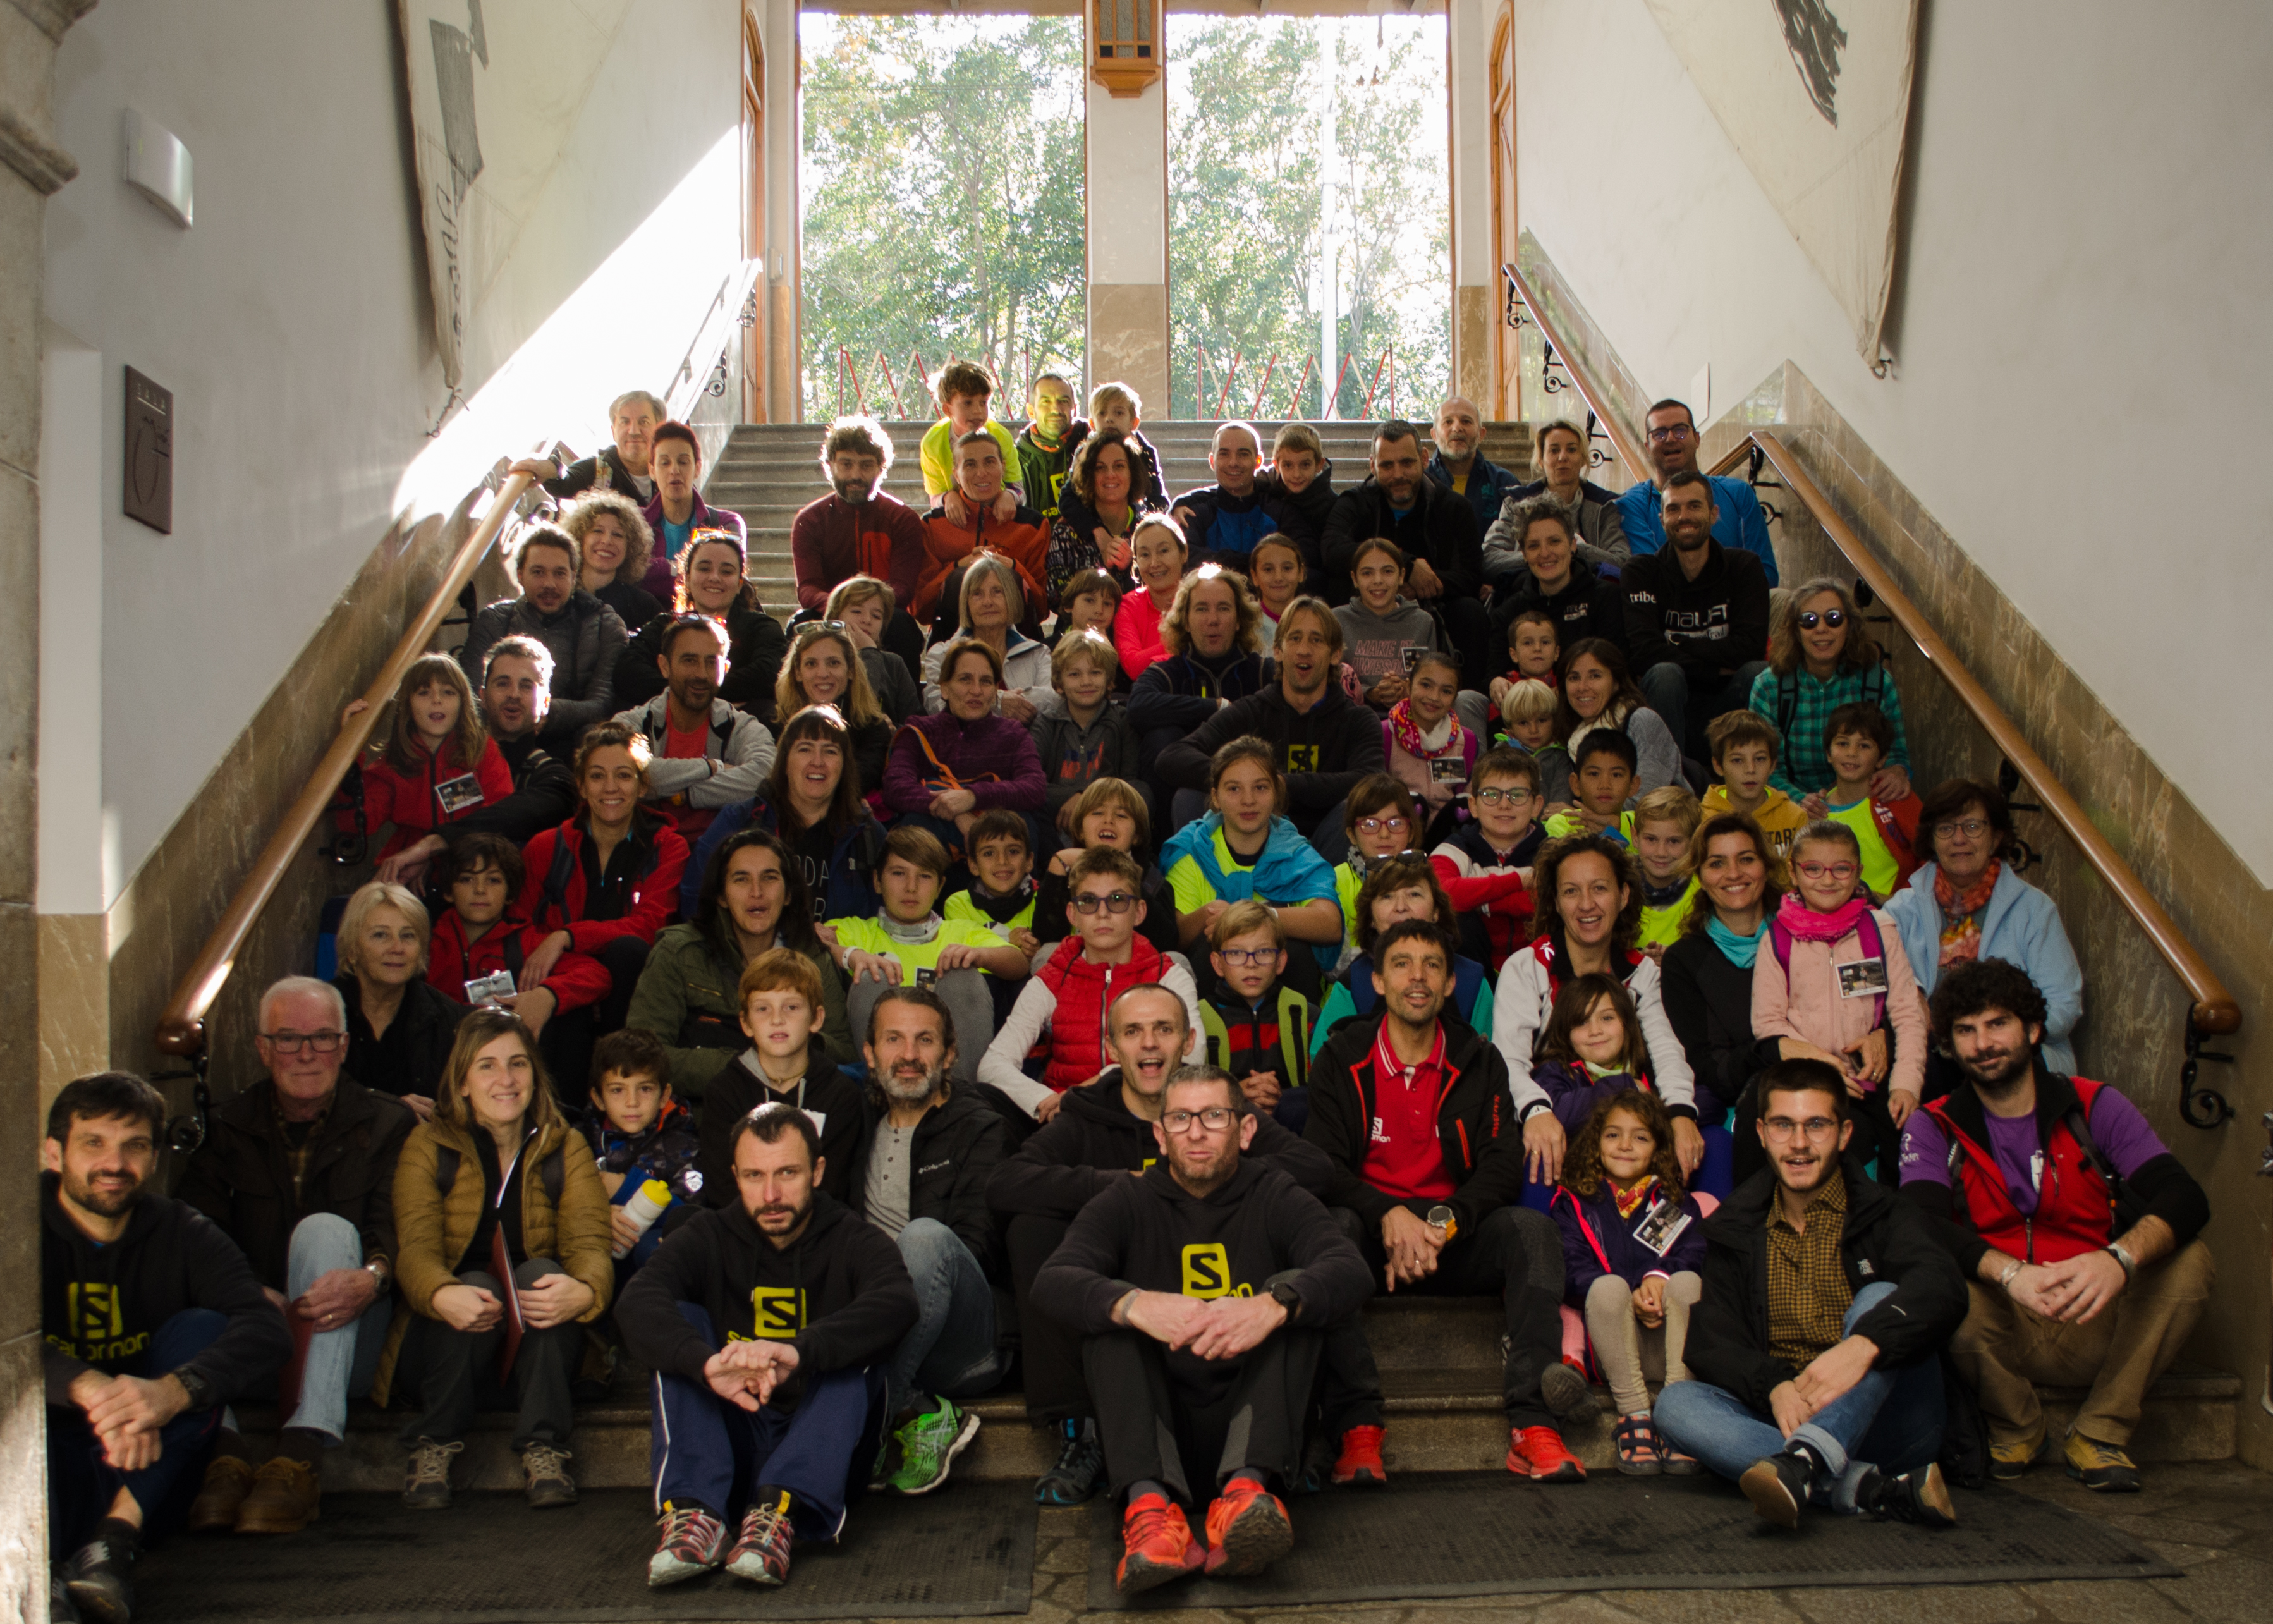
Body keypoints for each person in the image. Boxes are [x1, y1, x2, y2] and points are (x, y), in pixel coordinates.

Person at [985, 984, 1332, 1506]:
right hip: (1131, 1292)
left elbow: (1316, 1170)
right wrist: (1134, 1183)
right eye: (1133, 1031)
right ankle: (1083, 1431)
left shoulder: (1219, 1111)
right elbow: (1006, 1183)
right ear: (1111, 1048)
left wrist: (1217, 1174)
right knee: (1034, 1227)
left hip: (1230, 1297)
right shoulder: (1086, 1115)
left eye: (1164, 1030)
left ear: (1189, 1039)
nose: (1149, 1044)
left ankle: (1315, 1428)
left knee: (1324, 1238)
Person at [1035, 1063, 1374, 1594]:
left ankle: (1244, 1502)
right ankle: (1150, 1516)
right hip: (1157, 1433)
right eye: (1181, 1118)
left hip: (1255, 1429)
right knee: (1108, 1310)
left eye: (1214, 1116)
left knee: (1296, 1292)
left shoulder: (1274, 1191)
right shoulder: (1127, 1199)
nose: (1196, 1131)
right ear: (1160, 1134)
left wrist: (1272, 1305)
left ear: (1245, 1129)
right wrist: (1135, 1303)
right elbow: (1053, 1280)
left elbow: (1350, 1268)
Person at [1901, 959, 2212, 1492]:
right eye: (1966, 1030)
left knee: (2191, 1259)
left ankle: (2100, 1431)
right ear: (1950, 1045)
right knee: (1933, 1275)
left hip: (2097, 1313)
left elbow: (2185, 1196)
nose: (1983, 1043)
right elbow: (1918, 1224)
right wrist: (2007, 1273)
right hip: (2000, 1327)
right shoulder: (1933, 1124)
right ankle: (2016, 1426)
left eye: (1997, 1023)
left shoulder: (2095, 1104)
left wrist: (2118, 1259)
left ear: (2033, 1028)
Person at [1306, 920, 1590, 1479]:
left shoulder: (1479, 1058)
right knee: (1331, 1232)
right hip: (1373, 1238)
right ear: (1379, 981)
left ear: (1450, 984)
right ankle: (1356, 1427)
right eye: (1403, 964)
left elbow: (1502, 1166)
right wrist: (1386, 1213)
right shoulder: (1342, 1055)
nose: (1418, 977)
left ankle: (1533, 1425)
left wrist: (1443, 1220)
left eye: (1432, 965)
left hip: (1450, 1235)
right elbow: (1323, 1166)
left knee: (1531, 1231)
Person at [1652, 1059, 1964, 1527]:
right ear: (1761, 1133)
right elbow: (1712, 1339)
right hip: (1786, 1415)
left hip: (1891, 1420)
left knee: (1879, 1296)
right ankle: (1867, 1486)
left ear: (1843, 1133)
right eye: (1784, 1125)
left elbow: (1944, 1286)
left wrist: (1863, 1346)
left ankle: (1807, 1465)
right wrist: (1774, 1385)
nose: (1799, 1143)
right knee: (1676, 1405)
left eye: (1816, 1125)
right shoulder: (1736, 1225)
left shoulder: (1885, 1212)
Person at [623, 1104, 917, 1590]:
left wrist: (802, 1350)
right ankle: (698, 1516)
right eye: (755, 1175)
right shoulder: (708, 1234)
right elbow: (637, 1301)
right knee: (680, 1323)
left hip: (823, 1446)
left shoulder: (852, 1237)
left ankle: (779, 1515)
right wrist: (706, 1363)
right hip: (734, 1435)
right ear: (735, 1176)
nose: (772, 1194)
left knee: (853, 1346)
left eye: (788, 1172)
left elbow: (899, 1302)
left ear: (818, 1171)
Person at [43, 1073, 291, 1624]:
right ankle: (46, 1574)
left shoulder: (180, 1228)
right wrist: (90, 1388)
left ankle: (112, 1542)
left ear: (155, 1157)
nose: (115, 1163)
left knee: (204, 1329)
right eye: (94, 1143)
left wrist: (172, 1393)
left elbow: (268, 1329)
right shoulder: (20, 1226)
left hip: (147, 1465)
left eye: (134, 1145)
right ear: (53, 1151)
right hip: (44, 1460)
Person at [171, 979, 412, 1536]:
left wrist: (371, 1278)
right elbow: (194, 1231)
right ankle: (224, 1458)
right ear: (262, 1048)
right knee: (184, 1306)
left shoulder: (387, 1123)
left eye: (323, 1037)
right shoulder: (226, 1127)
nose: (307, 1054)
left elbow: (397, 1229)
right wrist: (247, 1293)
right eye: (289, 1038)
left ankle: (302, 1454)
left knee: (326, 1230)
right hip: (252, 1335)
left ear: (346, 1045)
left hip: (349, 1328)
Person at [372, 1010, 613, 1511]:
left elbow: (591, 1244)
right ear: (462, 1081)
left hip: (536, 1356)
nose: (506, 1079)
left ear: (535, 1074)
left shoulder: (565, 1145)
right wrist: (443, 1294)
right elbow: (414, 1253)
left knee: (545, 1277)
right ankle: (433, 1444)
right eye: (487, 1066)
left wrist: (586, 1290)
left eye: (518, 1063)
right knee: (478, 1280)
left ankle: (544, 1447)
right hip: (448, 1350)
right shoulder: (428, 1144)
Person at [841, 986, 1010, 1494]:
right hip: (874, 1321)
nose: (909, 1055)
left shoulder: (982, 1126)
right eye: (893, 1039)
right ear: (870, 1054)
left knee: (924, 1237)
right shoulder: (856, 1121)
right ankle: (924, 1411)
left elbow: (976, 1246)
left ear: (950, 1054)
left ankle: (862, 1430)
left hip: (963, 1336)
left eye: (925, 1040)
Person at [1494, 833, 1705, 1181]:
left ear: (1623, 896)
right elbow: (1510, 1061)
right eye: (1571, 891)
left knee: (1703, 1141)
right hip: (1555, 1117)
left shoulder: (1641, 971)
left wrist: (1681, 1113)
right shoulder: (1527, 965)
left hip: (1629, 1124)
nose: (1586, 904)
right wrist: (1537, 1111)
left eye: (1600, 888)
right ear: (1556, 903)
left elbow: (1666, 1050)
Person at [1752, 819, 1929, 1184]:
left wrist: (1905, 1085)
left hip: (1868, 1079)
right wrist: (1824, 1066)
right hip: (1802, 1078)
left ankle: (1899, 1227)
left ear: (1858, 871)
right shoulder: (1777, 937)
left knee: (1904, 1136)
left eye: (1841, 869)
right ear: (1793, 871)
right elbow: (1768, 1024)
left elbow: (1908, 1014)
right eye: (1813, 869)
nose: (1827, 880)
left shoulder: (1879, 930)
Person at [980, 846, 1204, 1118]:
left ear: (1140, 912)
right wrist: (1046, 1101)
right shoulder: (1052, 978)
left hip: (1143, 1115)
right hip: (1065, 1119)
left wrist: (1101, 1084)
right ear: (1073, 915)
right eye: (1088, 901)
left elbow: (1192, 1058)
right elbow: (993, 1064)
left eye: (1118, 899)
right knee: (983, 1100)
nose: (1103, 913)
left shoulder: (1168, 975)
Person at [628, 829, 853, 1097]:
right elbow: (642, 1055)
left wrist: (798, 1048)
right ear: (721, 895)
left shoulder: (812, 958)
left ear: (789, 893)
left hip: (794, 1113)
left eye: (769, 878)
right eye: (741, 879)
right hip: (697, 1120)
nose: (756, 892)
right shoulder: (678, 952)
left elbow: (845, 1053)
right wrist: (749, 1068)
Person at [1884, 778, 2085, 1075]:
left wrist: (2000, 1037)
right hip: (1929, 1052)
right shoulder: (1900, 910)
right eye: (1946, 828)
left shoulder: (2034, 909)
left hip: (2013, 1055)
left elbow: (2063, 1004)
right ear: (1932, 839)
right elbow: (1880, 990)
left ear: (1996, 838)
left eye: (1973, 827)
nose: (1959, 839)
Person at [1551, 1089, 1705, 1475]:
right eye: (1612, 1134)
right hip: (1615, 1348)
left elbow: (1694, 1253)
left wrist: (1658, 1278)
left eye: (1640, 1137)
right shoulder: (1574, 1202)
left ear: (1658, 1148)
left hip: (1671, 1348)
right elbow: (1571, 1270)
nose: (1625, 1146)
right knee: (1606, 1286)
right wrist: (1631, 1290)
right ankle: (1635, 1414)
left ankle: (1678, 1413)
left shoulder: (1675, 1201)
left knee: (1686, 1281)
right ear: (1596, 1143)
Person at [1157, 599, 1386, 853]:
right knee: (1188, 796)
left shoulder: (1359, 719)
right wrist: (1247, 783)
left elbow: (1371, 781)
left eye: (1316, 640)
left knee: (1358, 806)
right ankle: (1200, 887)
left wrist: (1283, 784)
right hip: (1254, 840)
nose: (1304, 650)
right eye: (1295, 638)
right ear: (1277, 650)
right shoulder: (1250, 711)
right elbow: (1172, 758)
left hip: (1327, 841)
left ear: (1335, 655)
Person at [519, 722, 692, 1037]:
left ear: (642, 786)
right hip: (564, 986)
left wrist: (566, 936)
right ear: (582, 786)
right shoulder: (545, 847)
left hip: (631, 991)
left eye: (624, 775)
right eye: (597, 776)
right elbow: (521, 927)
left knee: (627, 950)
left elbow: (650, 927)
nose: (610, 787)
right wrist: (569, 977)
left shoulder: (668, 847)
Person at [826, 827, 1029, 1081]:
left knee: (961, 974)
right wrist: (850, 955)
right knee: (870, 976)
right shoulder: (854, 930)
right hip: (881, 1079)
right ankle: (880, 1097)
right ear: (877, 881)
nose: (911, 887)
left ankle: (961, 1104)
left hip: (950, 1078)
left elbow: (1019, 964)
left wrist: (978, 956)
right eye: (899, 874)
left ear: (940, 885)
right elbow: (810, 945)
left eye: (924, 876)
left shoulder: (961, 931)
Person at [1161, 738, 1344, 991]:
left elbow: (1330, 924)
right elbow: (1175, 938)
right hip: (1213, 994)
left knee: (1295, 953)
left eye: (1260, 788)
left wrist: (1251, 917)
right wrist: (1210, 913)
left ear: (1276, 791)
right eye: (1234, 789)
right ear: (1215, 797)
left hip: (1282, 992)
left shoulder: (1297, 854)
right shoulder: (1191, 852)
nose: (1248, 800)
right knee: (1208, 950)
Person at [1320, 421, 1492, 690]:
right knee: (1336, 586)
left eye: (1407, 463)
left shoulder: (1454, 507)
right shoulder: (1355, 502)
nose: (1398, 474)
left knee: (1471, 612)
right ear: (1372, 466)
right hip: (1366, 609)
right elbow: (1331, 550)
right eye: (1387, 466)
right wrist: (1405, 566)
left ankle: (1463, 699)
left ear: (1424, 459)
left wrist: (1421, 587)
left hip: (1432, 607)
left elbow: (1471, 575)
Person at [695, 948, 867, 1208]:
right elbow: (722, 1187)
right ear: (746, 1022)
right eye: (763, 1009)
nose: (777, 1019)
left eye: (792, 1007)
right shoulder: (725, 1092)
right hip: (743, 1232)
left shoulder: (841, 1095)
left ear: (816, 1018)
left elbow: (834, 1187)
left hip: (815, 1234)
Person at [686, 704, 887, 926]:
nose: (818, 762)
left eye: (830, 751)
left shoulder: (868, 835)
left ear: (845, 765)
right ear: (784, 762)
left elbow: (887, 921)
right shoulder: (740, 821)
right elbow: (697, 899)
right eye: (805, 749)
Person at [1623, 470, 1771, 758]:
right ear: (1661, 519)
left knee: (1757, 673)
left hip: (1730, 706)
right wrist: (1716, 666)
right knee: (1665, 674)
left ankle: (1747, 777)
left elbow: (1751, 648)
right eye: (1673, 509)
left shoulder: (1745, 567)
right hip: (1667, 705)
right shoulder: (1641, 572)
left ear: (1714, 514)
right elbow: (1643, 653)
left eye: (1694, 506)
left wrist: (1678, 645)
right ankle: (1670, 788)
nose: (1684, 516)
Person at [424, 834, 609, 1059]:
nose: (480, 889)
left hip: (511, 1054)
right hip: (446, 1056)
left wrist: (547, 996)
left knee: (572, 1018)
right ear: (448, 891)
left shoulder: (525, 941)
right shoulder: (428, 943)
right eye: (466, 879)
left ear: (510, 894)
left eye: (493, 880)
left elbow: (596, 974)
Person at [1661, 813, 1785, 1135]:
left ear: (1766, 866)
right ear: (1700, 876)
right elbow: (1710, 1071)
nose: (1733, 874)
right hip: (1742, 1107)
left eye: (1746, 859)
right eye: (1717, 863)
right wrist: (1775, 1052)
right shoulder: (1684, 961)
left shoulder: (1802, 936)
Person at [607, 613, 776, 849]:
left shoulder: (741, 726)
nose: (701, 674)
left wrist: (684, 794)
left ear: (725, 669)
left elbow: (765, 776)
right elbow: (623, 774)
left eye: (711, 662)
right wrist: (712, 767)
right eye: (689, 660)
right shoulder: (634, 723)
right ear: (665, 666)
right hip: (645, 850)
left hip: (719, 856)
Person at [337, 654, 513, 876]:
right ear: (408, 706)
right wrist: (348, 750)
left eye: (448, 692)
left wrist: (437, 852)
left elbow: (502, 811)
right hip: (407, 867)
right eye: (424, 692)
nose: (436, 700)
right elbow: (358, 824)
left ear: (463, 702)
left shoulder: (481, 751)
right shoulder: (395, 763)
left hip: (471, 862)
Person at [458, 523, 629, 746]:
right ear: (520, 574)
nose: (549, 584)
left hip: (572, 745)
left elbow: (602, 704)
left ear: (573, 576)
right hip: (498, 740)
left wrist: (545, 710)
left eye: (559, 573)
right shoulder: (494, 620)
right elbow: (471, 695)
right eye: (538, 572)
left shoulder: (606, 625)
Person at [881, 638, 1047, 860]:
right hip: (937, 847)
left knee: (1022, 824)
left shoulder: (1013, 734)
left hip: (995, 845)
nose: (976, 691)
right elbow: (896, 788)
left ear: (995, 691)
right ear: (945, 688)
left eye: (986, 682)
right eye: (965, 679)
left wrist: (972, 798)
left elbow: (1034, 787)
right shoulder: (919, 731)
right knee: (916, 824)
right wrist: (954, 811)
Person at [1748, 578, 1911, 803]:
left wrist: (1897, 772)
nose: (1821, 629)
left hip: (1863, 802)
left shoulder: (1877, 682)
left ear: (1850, 626)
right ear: (1796, 630)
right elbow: (1764, 767)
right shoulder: (1768, 687)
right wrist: (1802, 801)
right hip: (1794, 806)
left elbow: (1896, 754)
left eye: (1834, 618)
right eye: (1809, 621)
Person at [1312, 855, 1495, 1043]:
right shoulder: (1354, 982)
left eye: (1414, 894)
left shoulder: (1471, 981)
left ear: (1436, 911)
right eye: (1387, 896)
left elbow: (1489, 1064)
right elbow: (1324, 1060)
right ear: (1371, 919)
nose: (1400, 907)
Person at [426, 637, 578, 858]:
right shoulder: (448, 759)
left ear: (546, 703)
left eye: (526, 686)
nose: (514, 694)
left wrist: (440, 839)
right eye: (503, 683)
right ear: (483, 696)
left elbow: (516, 814)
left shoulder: (554, 777)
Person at [613, 528, 790, 716]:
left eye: (726, 571)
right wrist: (689, 696)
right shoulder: (665, 625)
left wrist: (695, 694)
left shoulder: (763, 628)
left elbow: (768, 674)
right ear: (687, 579)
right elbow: (628, 671)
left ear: (739, 584)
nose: (714, 577)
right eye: (704, 568)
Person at [577, 1029, 704, 1283]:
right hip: (593, 1252)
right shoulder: (580, 1140)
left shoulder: (680, 1141)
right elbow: (558, 1205)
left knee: (652, 1247)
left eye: (644, 1089)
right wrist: (600, 1216)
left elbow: (694, 1213)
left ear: (664, 1095)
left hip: (645, 1266)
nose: (632, 1102)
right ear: (598, 1098)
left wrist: (628, 1187)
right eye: (617, 1090)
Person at [331, 882, 466, 1114]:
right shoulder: (317, 1015)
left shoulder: (451, 1021)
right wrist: (387, 1111)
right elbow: (304, 1101)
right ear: (353, 951)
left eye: (408, 936)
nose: (397, 947)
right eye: (381, 935)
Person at [1611, 398, 1779, 583]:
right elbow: (1650, 575)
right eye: (1659, 434)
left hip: (1736, 606)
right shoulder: (1630, 505)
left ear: (1697, 439)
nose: (1670, 438)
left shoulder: (1739, 494)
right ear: (1647, 447)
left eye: (1680, 431)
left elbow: (1765, 574)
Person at [1126, 563, 1269, 774]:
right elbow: (1138, 706)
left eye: (1224, 608)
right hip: (1187, 789)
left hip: (1251, 785)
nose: (1213, 620)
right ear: (1186, 621)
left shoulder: (1263, 672)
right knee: (1161, 736)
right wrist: (1215, 707)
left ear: (1239, 620)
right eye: (1202, 609)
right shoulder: (1166, 673)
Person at [1032, 776, 1181, 959]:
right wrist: (1058, 865)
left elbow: (1166, 942)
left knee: (1176, 960)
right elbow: (1045, 940)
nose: (1108, 820)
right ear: (1079, 830)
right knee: (1046, 954)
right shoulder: (1065, 869)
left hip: (1135, 971)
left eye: (1121, 815)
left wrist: (1123, 874)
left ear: (1136, 835)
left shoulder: (1151, 878)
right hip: (1078, 973)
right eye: (1097, 813)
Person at [793, 415, 927, 616]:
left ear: (881, 469)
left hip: (884, 617)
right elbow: (808, 588)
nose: (856, 475)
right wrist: (843, 608)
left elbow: (903, 589)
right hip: (830, 614)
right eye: (846, 464)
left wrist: (867, 610)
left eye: (866, 465)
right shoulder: (810, 521)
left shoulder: (902, 520)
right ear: (829, 466)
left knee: (903, 626)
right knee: (801, 619)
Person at [1430, 747, 1545, 975]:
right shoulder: (1453, 848)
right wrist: (1519, 882)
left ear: (1537, 805)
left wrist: (1480, 900)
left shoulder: (1552, 852)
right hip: (1474, 973)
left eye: (1518, 795)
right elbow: (1439, 894)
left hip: (1539, 971)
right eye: (1491, 795)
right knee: (1461, 922)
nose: (1504, 805)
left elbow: (1557, 901)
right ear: (1473, 805)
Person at [916, 432, 1049, 625]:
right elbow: (921, 609)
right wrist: (959, 567)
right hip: (953, 639)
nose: (981, 473)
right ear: (956, 474)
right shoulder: (932, 525)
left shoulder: (1033, 526)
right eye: (970, 465)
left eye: (989, 462)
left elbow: (1042, 609)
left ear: (1003, 467)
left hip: (1015, 636)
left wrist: (1011, 566)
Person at [1200, 901, 1312, 1127]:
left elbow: (1326, 1090)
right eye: (1236, 953)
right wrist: (1236, 1094)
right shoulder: (1199, 1021)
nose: (1251, 964)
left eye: (1263, 952)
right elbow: (1186, 1093)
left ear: (1280, 961)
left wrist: (1280, 1097)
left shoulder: (1306, 1017)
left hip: (1291, 1135)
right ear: (1218, 964)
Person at [1484, 418, 1628, 587]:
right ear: (1541, 460)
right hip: (1527, 593)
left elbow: (1622, 562)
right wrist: (1539, 558)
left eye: (1572, 450)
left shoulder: (1604, 506)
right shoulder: (1516, 503)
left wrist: (1577, 550)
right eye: (1554, 450)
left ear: (1583, 459)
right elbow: (1489, 559)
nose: (1562, 457)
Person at [921, 553, 1056, 721]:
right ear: (966, 603)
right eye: (977, 594)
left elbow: (1052, 700)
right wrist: (997, 702)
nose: (988, 602)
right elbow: (937, 707)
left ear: (1011, 598)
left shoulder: (1038, 653)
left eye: (997, 592)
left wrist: (979, 701)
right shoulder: (942, 654)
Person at [1486, 497, 1626, 654]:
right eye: (1534, 546)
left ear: (1573, 545)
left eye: (1554, 542)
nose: (1545, 553)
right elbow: (1495, 675)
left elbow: (1616, 671)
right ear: (1524, 554)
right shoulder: (1509, 613)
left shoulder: (1607, 599)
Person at [1031, 630, 1141, 822]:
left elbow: (1131, 782)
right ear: (1059, 684)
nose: (1086, 681)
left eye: (1095, 673)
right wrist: (1070, 797)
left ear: (1109, 681)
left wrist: (1087, 801)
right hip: (1057, 819)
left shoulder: (1123, 722)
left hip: (1107, 818)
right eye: (1074, 674)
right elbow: (1031, 781)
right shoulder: (1046, 723)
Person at [1529, 972, 1659, 1133]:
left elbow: (1690, 1100)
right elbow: (1559, 1113)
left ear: (1626, 1023)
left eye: (1607, 1018)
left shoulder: (1647, 1064)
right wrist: (1627, 1086)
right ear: (1565, 1032)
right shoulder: (1555, 1072)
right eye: (1582, 1022)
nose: (1595, 1031)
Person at [636, 420, 747, 604]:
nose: (674, 470)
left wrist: (657, 573)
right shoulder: (636, 523)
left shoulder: (726, 523)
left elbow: (730, 578)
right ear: (652, 471)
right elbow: (631, 572)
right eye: (665, 463)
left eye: (683, 462)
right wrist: (687, 570)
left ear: (697, 468)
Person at [1818, 703, 1922, 896]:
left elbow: (1931, 853)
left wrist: (1902, 901)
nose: (1852, 752)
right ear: (1828, 754)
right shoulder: (1817, 812)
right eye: (1843, 743)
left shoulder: (1895, 798)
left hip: (1893, 914)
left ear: (1882, 759)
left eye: (1864, 746)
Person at [772, 620, 893, 786]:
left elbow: (861, 780)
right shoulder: (774, 723)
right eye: (811, 664)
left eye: (834, 663)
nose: (823, 674)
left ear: (850, 670)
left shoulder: (873, 727)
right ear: (798, 672)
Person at [1336, 538, 1450, 713]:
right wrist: (1371, 693)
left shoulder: (1421, 622)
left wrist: (1406, 689)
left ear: (1402, 576)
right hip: (1352, 719)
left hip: (1410, 717)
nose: (1378, 580)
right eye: (1367, 573)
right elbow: (1328, 680)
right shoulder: (1336, 620)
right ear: (1355, 579)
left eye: (1388, 571)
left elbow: (1430, 680)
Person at [1557, 637, 1681, 795]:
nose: (1582, 687)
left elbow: (1646, 801)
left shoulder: (1642, 720)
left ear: (1616, 683)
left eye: (1595, 676)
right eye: (1574, 678)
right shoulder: (1567, 737)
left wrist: (1579, 812)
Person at [1047, 427, 1156, 602]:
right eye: (1100, 468)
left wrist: (1131, 569)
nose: (1110, 475)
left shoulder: (1150, 530)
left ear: (1132, 472)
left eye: (1119, 466)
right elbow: (1055, 598)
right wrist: (1100, 566)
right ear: (1089, 475)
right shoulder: (1065, 532)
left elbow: (1164, 593)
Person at [1329, 776, 1426, 965]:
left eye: (1396, 823)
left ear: (1411, 831)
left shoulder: (1425, 879)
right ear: (1352, 834)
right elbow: (1333, 960)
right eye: (1370, 825)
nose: (1384, 834)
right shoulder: (1333, 881)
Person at [1381, 650, 1479, 833]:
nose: (1434, 697)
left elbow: (1466, 794)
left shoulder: (1467, 741)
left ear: (1455, 698)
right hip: (1397, 831)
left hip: (1447, 833)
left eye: (1446, 691)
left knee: (1464, 806)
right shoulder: (1385, 733)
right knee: (1412, 803)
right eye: (1426, 685)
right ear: (1409, 686)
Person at [516, 389, 662, 504]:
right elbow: (563, 484)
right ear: (614, 432)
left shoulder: (671, 470)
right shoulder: (595, 471)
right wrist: (549, 469)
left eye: (644, 422)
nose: (634, 431)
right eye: (625, 422)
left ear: (659, 428)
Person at [1170, 420, 1278, 568]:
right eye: (1224, 454)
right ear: (1212, 461)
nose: (1233, 462)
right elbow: (1186, 560)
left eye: (1243, 454)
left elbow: (1298, 561)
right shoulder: (1192, 512)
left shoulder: (1280, 512)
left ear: (1258, 461)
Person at [918, 360, 1023, 510]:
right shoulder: (932, 443)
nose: (978, 411)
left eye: (983, 402)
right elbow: (935, 498)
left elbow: (1019, 489)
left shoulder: (1001, 436)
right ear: (947, 409)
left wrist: (1010, 496)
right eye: (968, 403)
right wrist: (947, 497)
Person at [1702, 710, 1807, 860]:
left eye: (1760, 759)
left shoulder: (1795, 818)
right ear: (1718, 766)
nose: (1750, 770)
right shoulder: (1702, 819)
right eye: (1737, 760)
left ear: (1773, 765)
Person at [825, 575, 925, 723]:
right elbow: (857, 717)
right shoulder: (824, 662)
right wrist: (869, 653)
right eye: (857, 611)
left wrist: (894, 730)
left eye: (876, 616)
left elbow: (917, 723)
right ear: (835, 618)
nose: (867, 620)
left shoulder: (894, 664)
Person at [1425, 396, 1525, 540]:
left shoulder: (1504, 483)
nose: (1457, 428)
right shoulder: (1421, 481)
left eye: (1466, 421)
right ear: (1434, 435)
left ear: (1481, 434)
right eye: (1448, 422)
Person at [561, 491, 662, 632]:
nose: (607, 541)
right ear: (579, 537)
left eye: (617, 534)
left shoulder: (644, 606)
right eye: (597, 531)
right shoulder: (559, 597)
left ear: (630, 546)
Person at [944, 810, 1041, 955]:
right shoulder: (959, 904)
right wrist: (1010, 945)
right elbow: (967, 960)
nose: (1002, 861)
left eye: (1013, 851)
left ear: (1029, 861)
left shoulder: (1046, 899)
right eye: (989, 853)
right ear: (974, 865)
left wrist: (1039, 950)